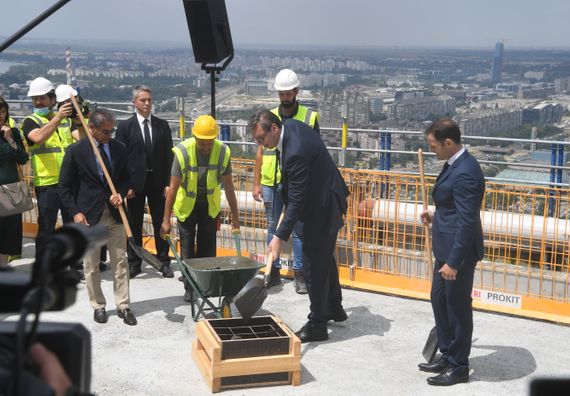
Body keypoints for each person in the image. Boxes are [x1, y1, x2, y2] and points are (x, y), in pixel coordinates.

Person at [249, 110, 349, 343]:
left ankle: (317, 323)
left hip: (321, 209)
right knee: (325, 259)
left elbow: (296, 201)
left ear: (274, 129)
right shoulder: (291, 126)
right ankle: (334, 307)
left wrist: (277, 236)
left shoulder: (295, 152)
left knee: (313, 266)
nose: (261, 145)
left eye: (261, 139)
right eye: (257, 141)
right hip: (324, 199)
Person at [418, 118, 485, 386]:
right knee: (439, 300)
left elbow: (468, 222)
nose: (432, 151)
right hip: (445, 247)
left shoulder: (466, 170)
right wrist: (436, 216)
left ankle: (459, 366)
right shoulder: (453, 164)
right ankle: (446, 353)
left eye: (434, 146)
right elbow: (454, 209)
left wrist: (455, 263)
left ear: (448, 143)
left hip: (458, 253)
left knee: (457, 307)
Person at [58, 108, 137, 326]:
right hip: (88, 216)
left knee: (120, 261)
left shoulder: (119, 149)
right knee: (91, 265)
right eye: (105, 132)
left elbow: (125, 178)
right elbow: (64, 188)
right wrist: (75, 212)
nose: (109, 136)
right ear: (91, 128)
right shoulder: (76, 151)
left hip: (115, 215)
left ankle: (123, 305)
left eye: (112, 131)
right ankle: (98, 306)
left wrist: (120, 192)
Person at [252, 68, 319, 293]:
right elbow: (261, 151)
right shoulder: (269, 116)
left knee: (298, 228)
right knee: (273, 225)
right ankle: (274, 271)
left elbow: (315, 150)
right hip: (272, 180)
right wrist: (256, 182)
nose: (284, 98)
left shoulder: (309, 117)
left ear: (296, 92)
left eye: (288, 94)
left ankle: (301, 274)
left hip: (297, 182)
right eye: (281, 94)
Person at [160, 115, 240, 303]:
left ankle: (205, 287)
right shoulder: (183, 153)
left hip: (209, 207)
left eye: (209, 143)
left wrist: (235, 217)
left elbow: (229, 187)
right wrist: (165, 220)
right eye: (202, 143)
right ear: (195, 138)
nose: (206, 147)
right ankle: (190, 288)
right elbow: (172, 189)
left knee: (208, 250)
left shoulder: (222, 152)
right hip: (187, 207)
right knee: (187, 250)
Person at [116, 85, 174, 279]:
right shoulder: (125, 127)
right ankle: (134, 262)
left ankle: (164, 261)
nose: (147, 103)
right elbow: (120, 158)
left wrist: (168, 183)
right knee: (134, 223)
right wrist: (125, 187)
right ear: (134, 102)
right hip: (134, 185)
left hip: (158, 183)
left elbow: (169, 156)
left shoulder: (162, 125)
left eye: (149, 99)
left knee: (161, 221)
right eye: (143, 100)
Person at [21, 77, 75, 254]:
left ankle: (73, 266)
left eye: (42, 98)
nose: (38, 102)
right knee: (46, 228)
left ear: (53, 100)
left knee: (71, 226)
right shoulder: (31, 121)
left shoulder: (66, 120)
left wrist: (82, 120)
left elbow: (81, 139)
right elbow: (38, 138)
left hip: (68, 182)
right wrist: (58, 117)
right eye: (35, 98)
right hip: (46, 184)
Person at [0, 97, 28, 271]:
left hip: (9, 190)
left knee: (8, 232)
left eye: (3, 111)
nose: (1, 115)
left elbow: (23, 159)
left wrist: (10, 138)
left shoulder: (13, 132)